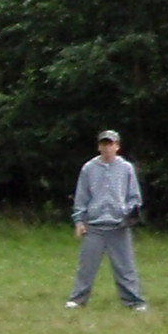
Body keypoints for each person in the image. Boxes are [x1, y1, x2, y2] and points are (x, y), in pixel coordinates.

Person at [67, 129, 149, 311]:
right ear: (99, 147)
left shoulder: (126, 168)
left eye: (110, 144)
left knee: (125, 267)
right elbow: (81, 197)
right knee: (87, 266)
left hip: (119, 226)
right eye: (103, 144)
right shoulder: (88, 168)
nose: (107, 147)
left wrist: (128, 214)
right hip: (94, 225)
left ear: (117, 146)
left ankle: (135, 301)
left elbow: (134, 197)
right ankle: (78, 300)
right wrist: (79, 221)